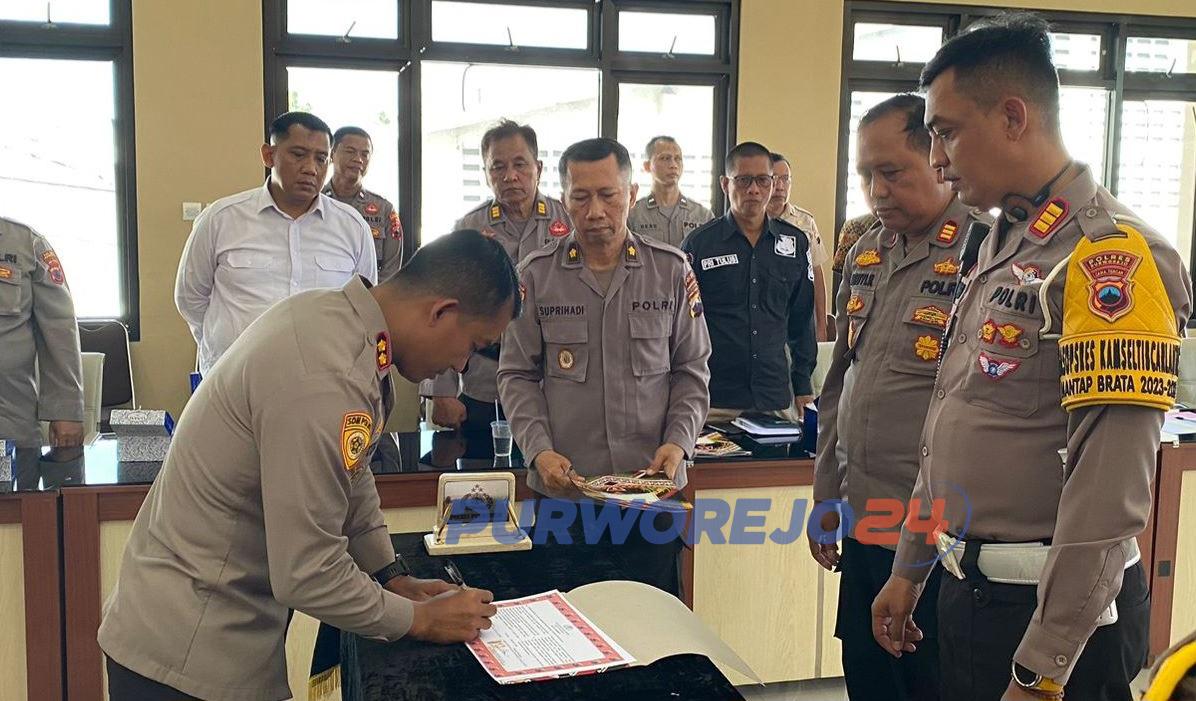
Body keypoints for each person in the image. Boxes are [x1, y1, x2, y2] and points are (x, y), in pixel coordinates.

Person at [870, 13, 1192, 701]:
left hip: (1055, 623)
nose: (936, 160)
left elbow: (1111, 496)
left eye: (948, 132)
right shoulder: (1003, 239)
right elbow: (951, 422)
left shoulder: (1111, 257)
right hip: (970, 599)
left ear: (1013, 116)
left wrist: (1043, 667)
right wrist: (912, 564)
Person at [99, 230, 514, 701]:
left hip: (210, 632)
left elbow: (351, 477)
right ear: (442, 311)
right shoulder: (325, 374)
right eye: (474, 346)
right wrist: (419, 620)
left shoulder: (338, 324)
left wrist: (391, 575)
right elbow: (307, 573)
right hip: (186, 656)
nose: (461, 366)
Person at [813, 93, 992, 701]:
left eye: (892, 172)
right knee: (868, 678)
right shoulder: (865, 247)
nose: (876, 189)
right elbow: (841, 378)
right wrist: (824, 495)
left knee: (931, 683)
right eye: (866, 174)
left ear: (938, 159)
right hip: (865, 521)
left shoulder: (987, 251)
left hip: (941, 535)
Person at [497, 138, 711, 593]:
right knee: (565, 635)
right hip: (565, 493)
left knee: (652, 631)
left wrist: (679, 442)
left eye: (608, 195)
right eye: (580, 197)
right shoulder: (535, 276)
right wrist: (537, 449)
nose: (595, 211)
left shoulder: (671, 271)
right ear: (564, 200)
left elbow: (691, 370)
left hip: (651, 490)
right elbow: (516, 374)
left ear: (631, 195)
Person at [174, 111, 376, 375]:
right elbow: (191, 298)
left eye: (321, 158)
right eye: (298, 154)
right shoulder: (221, 219)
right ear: (269, 156)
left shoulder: (352, 227)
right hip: (234, 378)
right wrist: (222, 342)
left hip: (324, 379)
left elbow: (364, 304)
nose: (311, 168)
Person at [420, 119, 571, 432]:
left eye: (520, 164)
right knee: (482, 477)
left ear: (539, 168)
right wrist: (442, 391)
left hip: (556, 382)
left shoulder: (569, 223)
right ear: (487, 173)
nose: (510, 176)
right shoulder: (469, 229)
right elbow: (443, 307)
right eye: (497, 167)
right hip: (485, 383)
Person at [682, 141, 817, 424]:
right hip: (715, 399)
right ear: (725, 184)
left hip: (775, 396)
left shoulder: (794, 243)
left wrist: (803, 385)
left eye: (763, 181)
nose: (754, 190)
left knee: (777, 470)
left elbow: (802, 320)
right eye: (743, 180)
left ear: (773, 183)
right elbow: (684, 325)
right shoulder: (700, 245)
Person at [0, 217, 83, 484]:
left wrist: (66, 411)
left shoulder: (25, 243)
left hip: (11, 427)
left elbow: (59, 328)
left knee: (21, 519)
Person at [322, 125, 404, 282]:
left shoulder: (384, 209)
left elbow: (391, 270)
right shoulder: (313, 202)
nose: (358, 159)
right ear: (332, 154)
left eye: (365, 154)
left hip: (369, 299)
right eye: (350, 151)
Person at [767, 152, 829, 341]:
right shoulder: (752, 223)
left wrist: (821, 327)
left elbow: (816, 275)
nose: (780, 186)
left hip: (799, 321)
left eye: (785, 179)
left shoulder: (805, 222)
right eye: (773, 179)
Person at [627, 135, 715, 247]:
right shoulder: (634, 214)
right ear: (647, 166)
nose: (673, 165)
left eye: (678, 159)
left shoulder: (703, 216)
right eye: (665, 158)